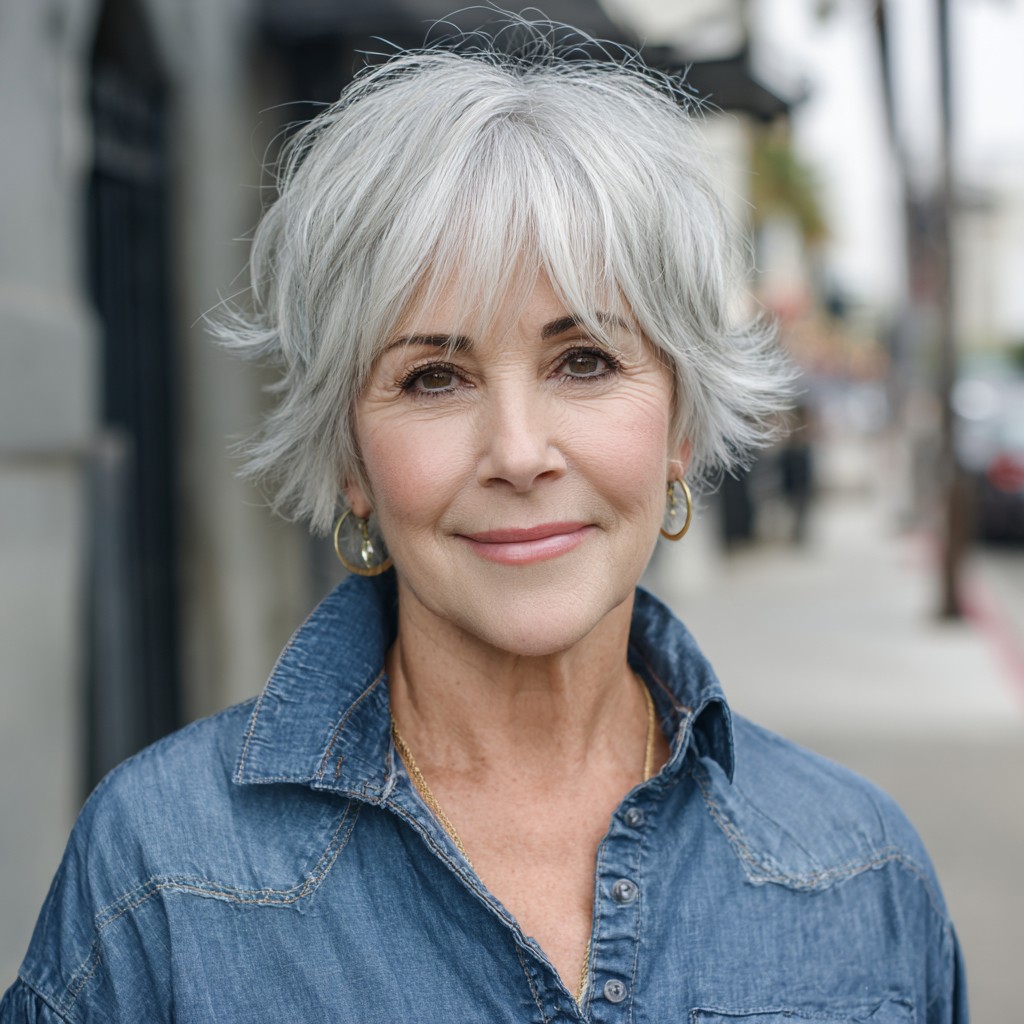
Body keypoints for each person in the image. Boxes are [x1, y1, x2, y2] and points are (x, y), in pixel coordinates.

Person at [2, 24, 967, 1023]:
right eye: (433, 377)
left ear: (679, 425)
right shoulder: (161, 872)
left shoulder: (860, 873)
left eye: (583, 360)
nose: (517, 451)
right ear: (351, 459)